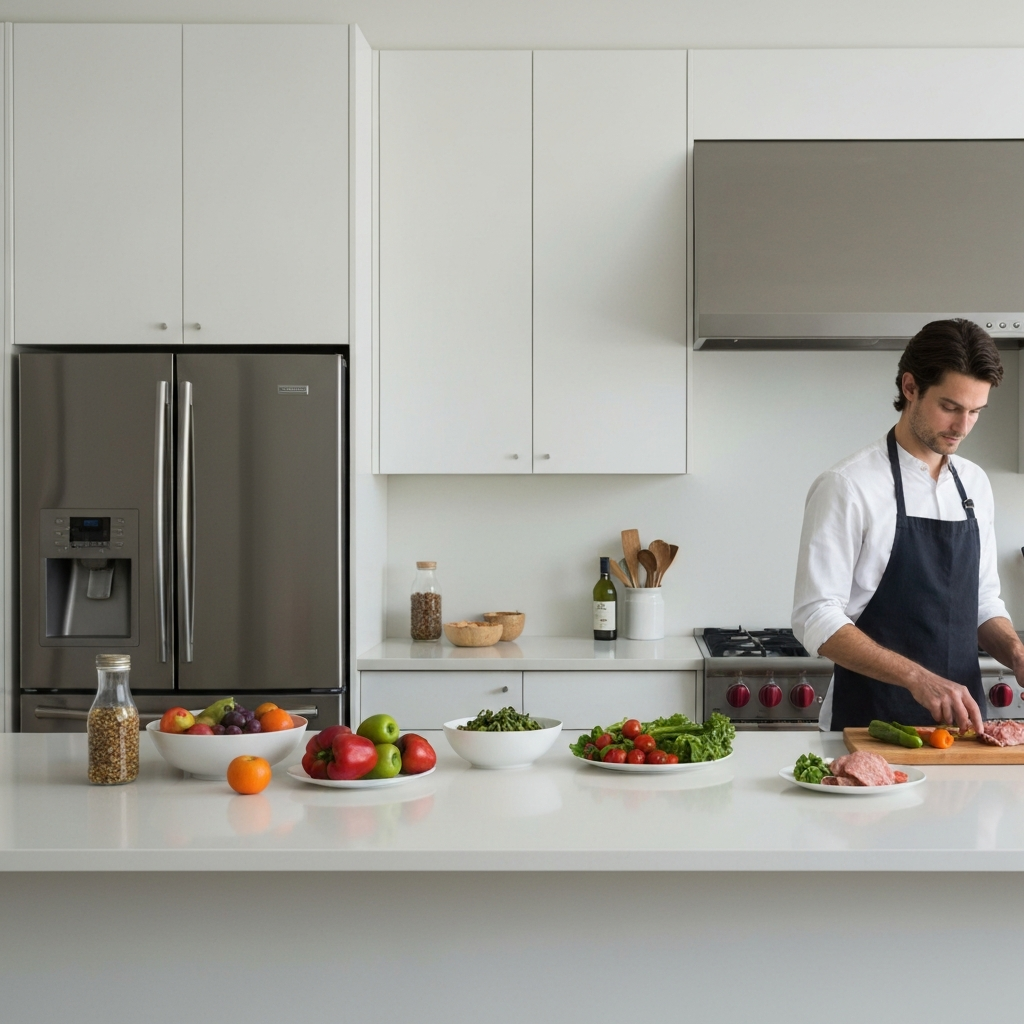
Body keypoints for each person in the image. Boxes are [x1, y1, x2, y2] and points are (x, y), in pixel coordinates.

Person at [792, 318, 1024, 733]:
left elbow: (983, 601)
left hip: (962, 734)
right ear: (910, 387)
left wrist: (1015, 651)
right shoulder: (848, 486)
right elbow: (816, 617)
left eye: (975, 412)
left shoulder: (973, 484)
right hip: (868, 727)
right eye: (950, 407)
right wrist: (919, 678)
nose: (962, 427)